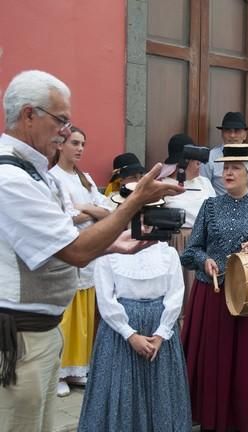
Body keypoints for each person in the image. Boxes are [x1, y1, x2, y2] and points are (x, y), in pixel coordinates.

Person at [0, 70, 182, 432]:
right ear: (29, 115)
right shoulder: (11, 178)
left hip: (40, 334)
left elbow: (65, 236)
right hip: (21, 337)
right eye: (61, 120)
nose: (66, 132)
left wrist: (114, 245)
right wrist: (135, 202)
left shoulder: (36, 173)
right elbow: (76, 250)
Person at [181, 143, 248, 432]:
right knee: (213, 361)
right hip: (211, 296)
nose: (228, 172)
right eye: (225, 167)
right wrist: (204, 261)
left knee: (244, 364)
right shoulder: (210, 206)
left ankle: (243, 419)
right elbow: (190, 252)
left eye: (235, 167)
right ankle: (211, 419)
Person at [78, 236, 192, 431]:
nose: (144, 223)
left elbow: (175, 294)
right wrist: (129, 333)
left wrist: (162, 333)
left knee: (160, 389)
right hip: (119, 331)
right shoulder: (109, 253)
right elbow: (105, 299)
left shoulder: (167, 253)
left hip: (159, 329)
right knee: (121, 388)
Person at [49, 126, 112, 397]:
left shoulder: (84, 179)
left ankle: (78, 369)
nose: (79, 148)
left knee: (85, 315)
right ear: (60, 145)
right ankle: (58, 372)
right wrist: (89, 213)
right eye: (74, 142)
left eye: (83, 143)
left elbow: (107, 210)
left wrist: (83, 208)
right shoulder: (52, 178)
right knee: (66, 316)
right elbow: (62, 216)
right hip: (67, 253)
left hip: (90, 255)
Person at [159, 133, 215, 311]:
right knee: (179, 295)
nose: (199, 165)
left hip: (204, 243)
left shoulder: (204, 183)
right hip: (177, 243)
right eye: (196, 161)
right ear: (183, 162)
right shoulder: (163, 185)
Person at [200, 111, 248, 195]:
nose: (232, 135)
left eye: (237, 131)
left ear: (245, 135)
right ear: (222, 134)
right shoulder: (211, 156)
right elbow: (204, 186)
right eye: (228, 130)